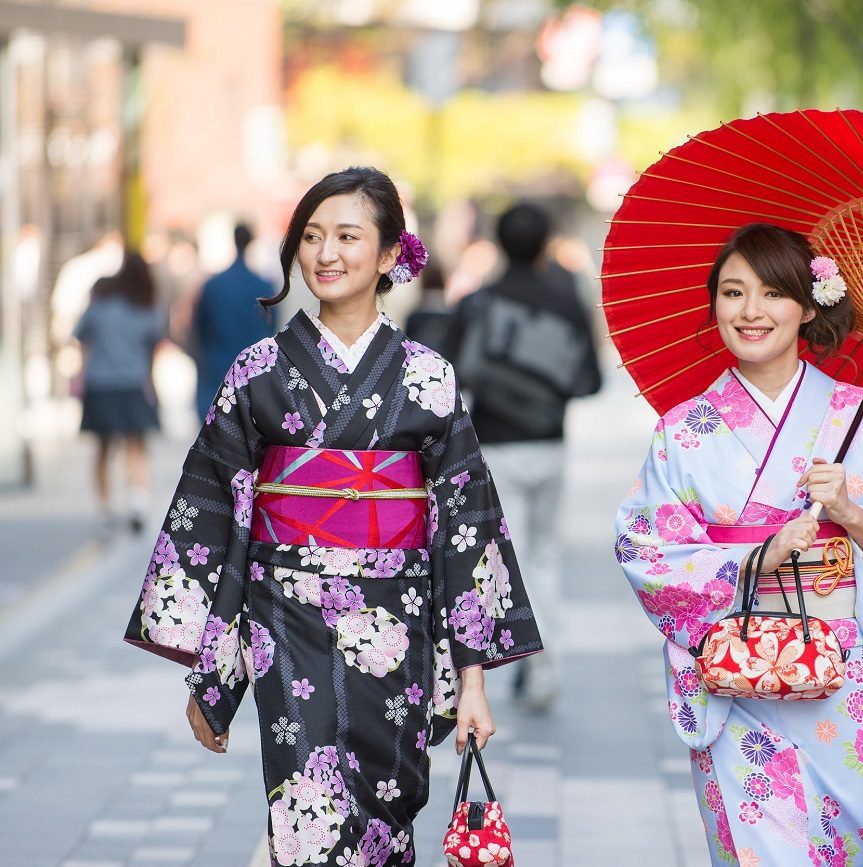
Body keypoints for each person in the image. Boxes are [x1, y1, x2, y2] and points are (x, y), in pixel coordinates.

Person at [124, 166, 541, 867]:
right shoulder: (257, 370)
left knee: (390, 806)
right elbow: (210, 512)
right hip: (287, 615)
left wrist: (471, 680)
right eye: (312, 236)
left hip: (398, 617)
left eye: (348, 236)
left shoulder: (428, 376)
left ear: (388, 255)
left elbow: (466, 528)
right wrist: (211, 665)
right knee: (305, 807)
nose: (325, 253)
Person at [614, 223, 863, 865]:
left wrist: (854, 515)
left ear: (806, 306)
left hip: (837, 671)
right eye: (733, 292)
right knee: (754, 850)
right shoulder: (684, 430)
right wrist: (758, 555)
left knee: (834, 845)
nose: (750, 311)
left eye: (772, 294)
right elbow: (643, 547)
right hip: (733, 665)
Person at [444, 202, 602, 712]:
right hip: (550, 445)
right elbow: (590, 381)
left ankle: (504, 665)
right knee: (544, 557)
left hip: (495, 447)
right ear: (544, 245)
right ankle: (542, 672)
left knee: (500, 561)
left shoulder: (479, 302)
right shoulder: (567, 302)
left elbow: (450, 374)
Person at [73, 251, 167, 535]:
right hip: (133, 383)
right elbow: (155, 348)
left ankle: (104, 509)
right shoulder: (147, 309)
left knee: (102, 449)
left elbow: (82, 338)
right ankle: (138, 502)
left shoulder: (100, 304)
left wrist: (80, 374)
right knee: (136, 445)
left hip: (100, 383)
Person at [190, 222, 276, 422]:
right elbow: (271, 326)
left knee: (212, 421)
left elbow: (200, 326)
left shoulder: (213, 284)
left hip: (216, 359)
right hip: (253, 364)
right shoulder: (263, 285)